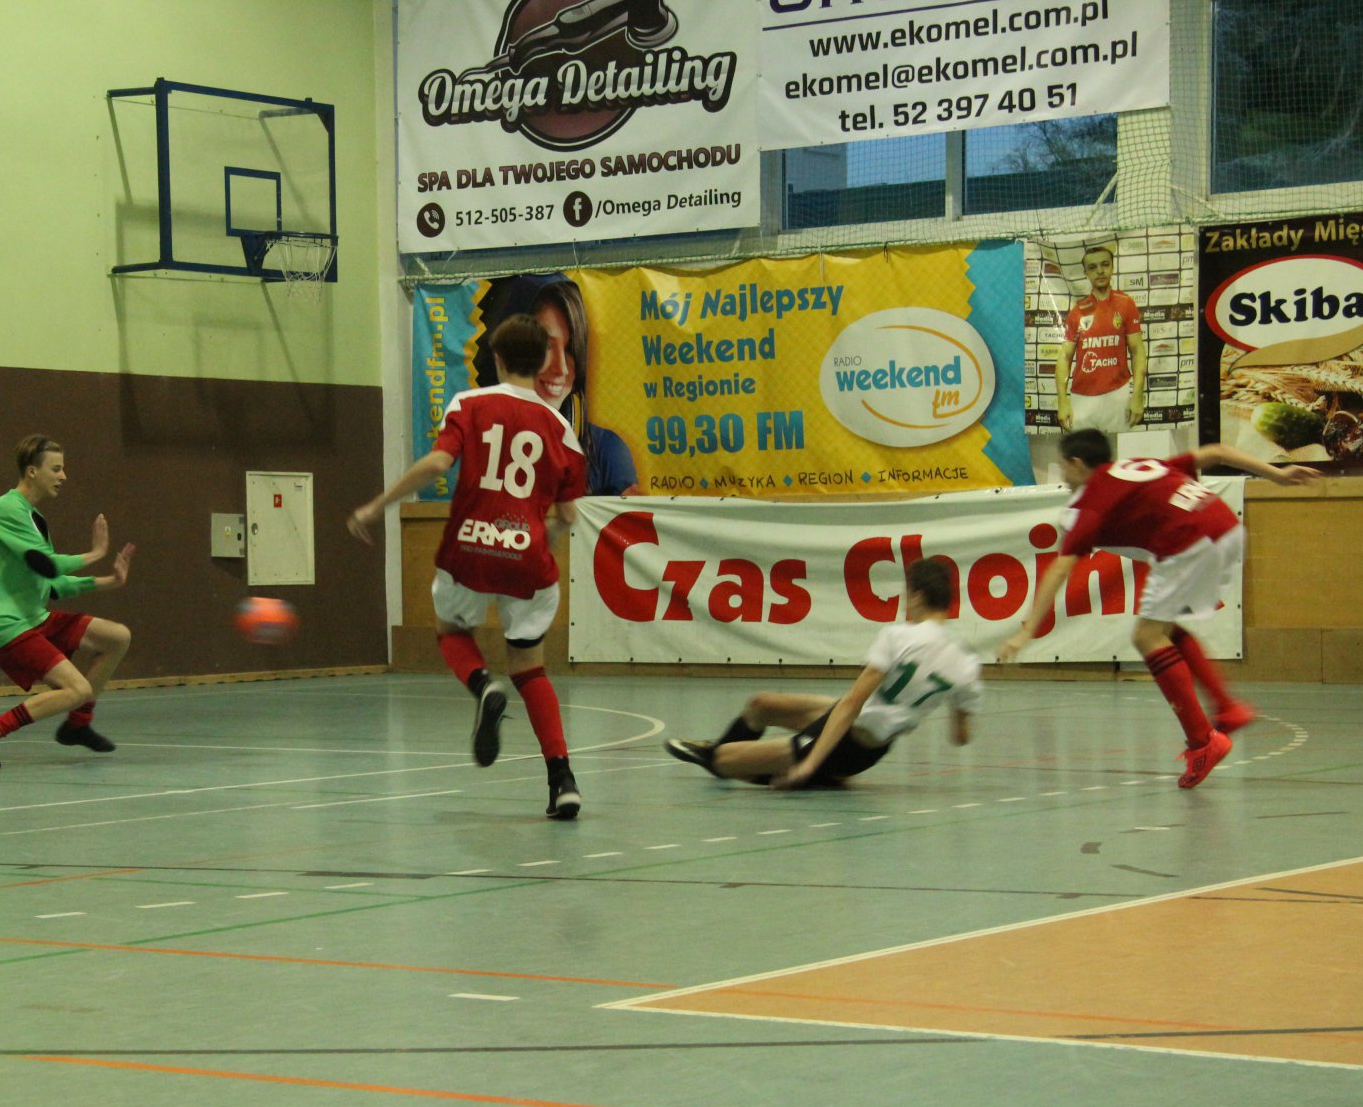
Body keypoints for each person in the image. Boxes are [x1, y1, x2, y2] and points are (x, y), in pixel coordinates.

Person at [350, 313, 588, 819]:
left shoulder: (469, 404)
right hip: (527, 556)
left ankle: (483, 685)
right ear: (544, 363)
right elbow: (568, 515)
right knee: (530, 666)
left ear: (496, 359)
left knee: (451, 630)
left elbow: (438, 463)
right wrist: (540, 540)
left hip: (471, 548)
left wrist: (377, 505)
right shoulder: (562, 428)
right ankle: (562, 780)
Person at [998, 429, 1314, 788]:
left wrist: (1027, 630)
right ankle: (1227, 708)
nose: (1063, 477)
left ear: (1077, 463)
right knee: (1165, 630)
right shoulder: (1137, 467)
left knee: (1146, 636)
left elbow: (1059, 570)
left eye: (1063, 467)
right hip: (1225, 528)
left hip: (1189, 543)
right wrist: (1276, 474)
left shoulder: (1093, 501)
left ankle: (1202, 742)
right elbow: (1215, 451)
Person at [664, 561, 982, 790]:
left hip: (850, 744)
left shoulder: (899, 637)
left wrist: (810, 763)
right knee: (761, 704)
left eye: (907, 594)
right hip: (866, 735)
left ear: (918, 596)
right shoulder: (966, 662)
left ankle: (813, 774)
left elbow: (852, 704)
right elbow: (960, 738)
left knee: (721, 759)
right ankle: (799, 767)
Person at [0, 435, 136, 770]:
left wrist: (109, 580)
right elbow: (48, 565)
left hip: (32, 617)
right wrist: (95, 553)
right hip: (5, 623)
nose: (63, 476)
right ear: (32, 472)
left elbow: (52, 584)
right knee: (77, 688)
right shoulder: (6, 509)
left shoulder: (33, 517)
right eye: (56, 469)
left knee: (117, 637)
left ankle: (77, 725)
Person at [477, 275, 639, 497]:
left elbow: (633, 518)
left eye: (571, 348)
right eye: (545, 346)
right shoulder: (480, 447)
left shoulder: (606, 450)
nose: (561, 368)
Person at [1055, 244, 1146, 436]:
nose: (1100, 271)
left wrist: (1138, 395)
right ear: (1086, 273)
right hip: (1082, 398)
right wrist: (1062, 401)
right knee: (1084, 453)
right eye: (1093, 267)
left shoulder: (1126, 304)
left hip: (1118, 394)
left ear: (1112, 267)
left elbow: (1137, 351)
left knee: (1115, 452)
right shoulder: (1078, 311)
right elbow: (1064, 357)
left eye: (1105, 264)